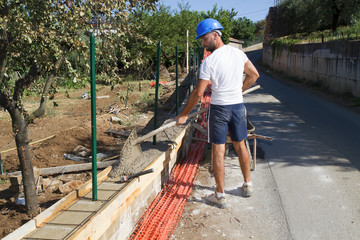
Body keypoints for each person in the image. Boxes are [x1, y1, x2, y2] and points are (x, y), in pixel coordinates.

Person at [175, 18, 260, 209]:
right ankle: (247, 186)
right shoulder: (238, 54)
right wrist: (239, 89)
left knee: (218, 149)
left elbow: (198, 93)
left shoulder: (209, 62)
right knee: (241, 145)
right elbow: (254, 75)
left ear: (215, 35)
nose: (203, 43)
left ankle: (220, 196)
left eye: (204, 39)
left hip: (220, 109)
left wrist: (183, 115)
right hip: (238, 107)